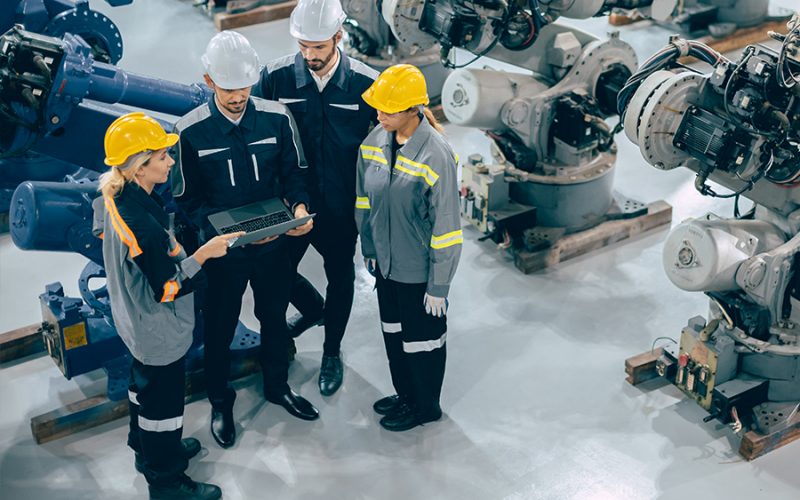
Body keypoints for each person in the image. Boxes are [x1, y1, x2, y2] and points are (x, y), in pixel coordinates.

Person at [172, 30, 319, 450]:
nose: (238, 97)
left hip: (274, 243)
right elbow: (187, 198)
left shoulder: (276, 117)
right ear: (208, 81)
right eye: (228, 88)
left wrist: (300, 210)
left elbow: (295, 174)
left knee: (273, 319)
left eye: (244, 87)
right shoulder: (190, 132)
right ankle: (221, 402)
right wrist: (218, 233)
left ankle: (278, 387)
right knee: (219, 328)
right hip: (225, 253)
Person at [94, 112, 239, 499]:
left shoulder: (116, 195)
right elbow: (168, 289)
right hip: (158, 331)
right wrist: (204, 255)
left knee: (141, 391)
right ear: (140, 166)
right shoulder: (138, 224)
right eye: (162, 157)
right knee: (163, 410)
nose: (171, 162)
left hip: (134, 321)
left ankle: (146, 451)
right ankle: (167, 480)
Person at [254, 0, 378, 396]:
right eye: (303, 46)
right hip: (292, 202)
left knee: (340, 276)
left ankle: (331, 351)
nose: (310, 56)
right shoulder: (275, 78)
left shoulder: (366, 84)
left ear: (338, 37)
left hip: (341, 206)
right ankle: (315, 312)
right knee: (277, 275)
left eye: (318, 47)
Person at [355, 64, 462, 431]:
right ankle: (406, 396)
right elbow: (363, 202)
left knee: (423, 344)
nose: (380, 115)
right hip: (384, 266)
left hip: (419, 272)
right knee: (395, 336)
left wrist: (439, 286)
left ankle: (425, 406)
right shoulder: (373, 143)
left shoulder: (436, 155)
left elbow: (447, 228)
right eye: (378, 108)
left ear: (413, 109)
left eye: (389, 110)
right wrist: (368, 247)